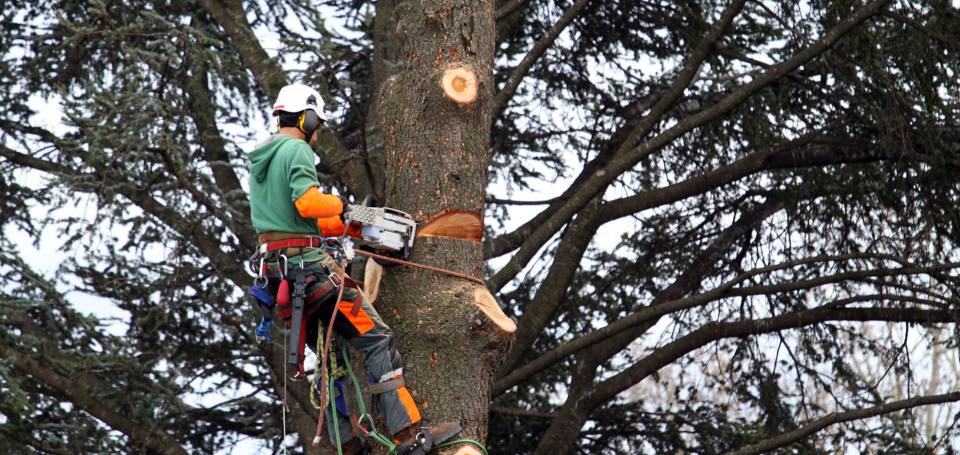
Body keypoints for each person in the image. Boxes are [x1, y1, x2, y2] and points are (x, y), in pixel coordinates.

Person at [246, 83, 459, 454]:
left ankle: (346, 444)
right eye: (317, 124)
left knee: (332, 360)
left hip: (281, 271)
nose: (317, 132)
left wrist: (352, 222)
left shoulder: (262, 160)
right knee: (377, 339)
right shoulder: (295, 148)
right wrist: (342, 205)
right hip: (311, 272)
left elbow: (301, 222)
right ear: (307, 117)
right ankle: (407, 436)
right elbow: (309, 204)